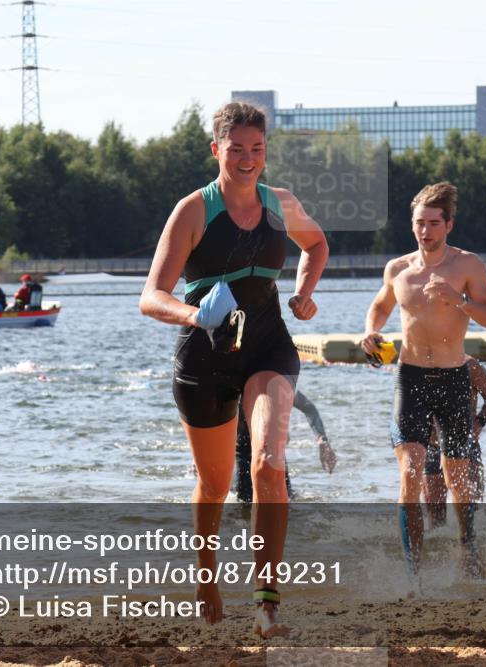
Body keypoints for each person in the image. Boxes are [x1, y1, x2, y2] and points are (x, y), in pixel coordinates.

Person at [139, 102, 328, 637]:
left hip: (268, 348)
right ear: (216, 149)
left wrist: (304, 292)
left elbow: (316, 244)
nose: (248, 159)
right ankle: (207, 577)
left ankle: (267, 604)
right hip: (204, 357)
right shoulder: (193, 211)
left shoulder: (281, 204)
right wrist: (195, 315)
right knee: (214, 485)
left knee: (268, 464)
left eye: (257, 149)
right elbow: (151, 296)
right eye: (237, 149)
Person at [361, 181, 486, 582]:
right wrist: (370, 331)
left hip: (453, 379)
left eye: (433, 223)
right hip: (410, 378)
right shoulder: (398, 269)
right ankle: (414, 573)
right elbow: (379, 306)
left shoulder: (467, 266)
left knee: (457, 476)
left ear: (448, 225)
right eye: (419, 223)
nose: (425, 231)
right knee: (411, 471)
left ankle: (467, 545)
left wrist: (460, 301)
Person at [423, 355, 486, 535]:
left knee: (473, 510)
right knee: (436, 519)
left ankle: (472, 547)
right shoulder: (419, 364)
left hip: (466, 444)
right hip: (431, 447)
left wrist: (479, 423)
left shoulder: (470, 365)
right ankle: (439, 552)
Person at [234, 390, 336, 504]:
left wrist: (322, 441)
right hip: (244, 454)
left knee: (285, 500)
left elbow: (309, 408)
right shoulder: (236, 387)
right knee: (244, 503)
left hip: (273, 453)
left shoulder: (276, 387)